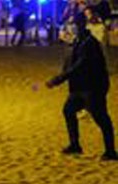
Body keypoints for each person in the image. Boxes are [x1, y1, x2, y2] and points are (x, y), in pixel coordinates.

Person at [45, 12, 116, 160]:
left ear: (80, 25)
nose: (70, 28)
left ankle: (110, 151)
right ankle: (75, 145)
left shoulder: (89, 43)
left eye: (72, 25)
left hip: (92, 87)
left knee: (100, 117)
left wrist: (59, 79)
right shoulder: (79, 41)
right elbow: (71, 63)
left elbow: (80, 66)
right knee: (68, 110)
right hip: (79, 87)